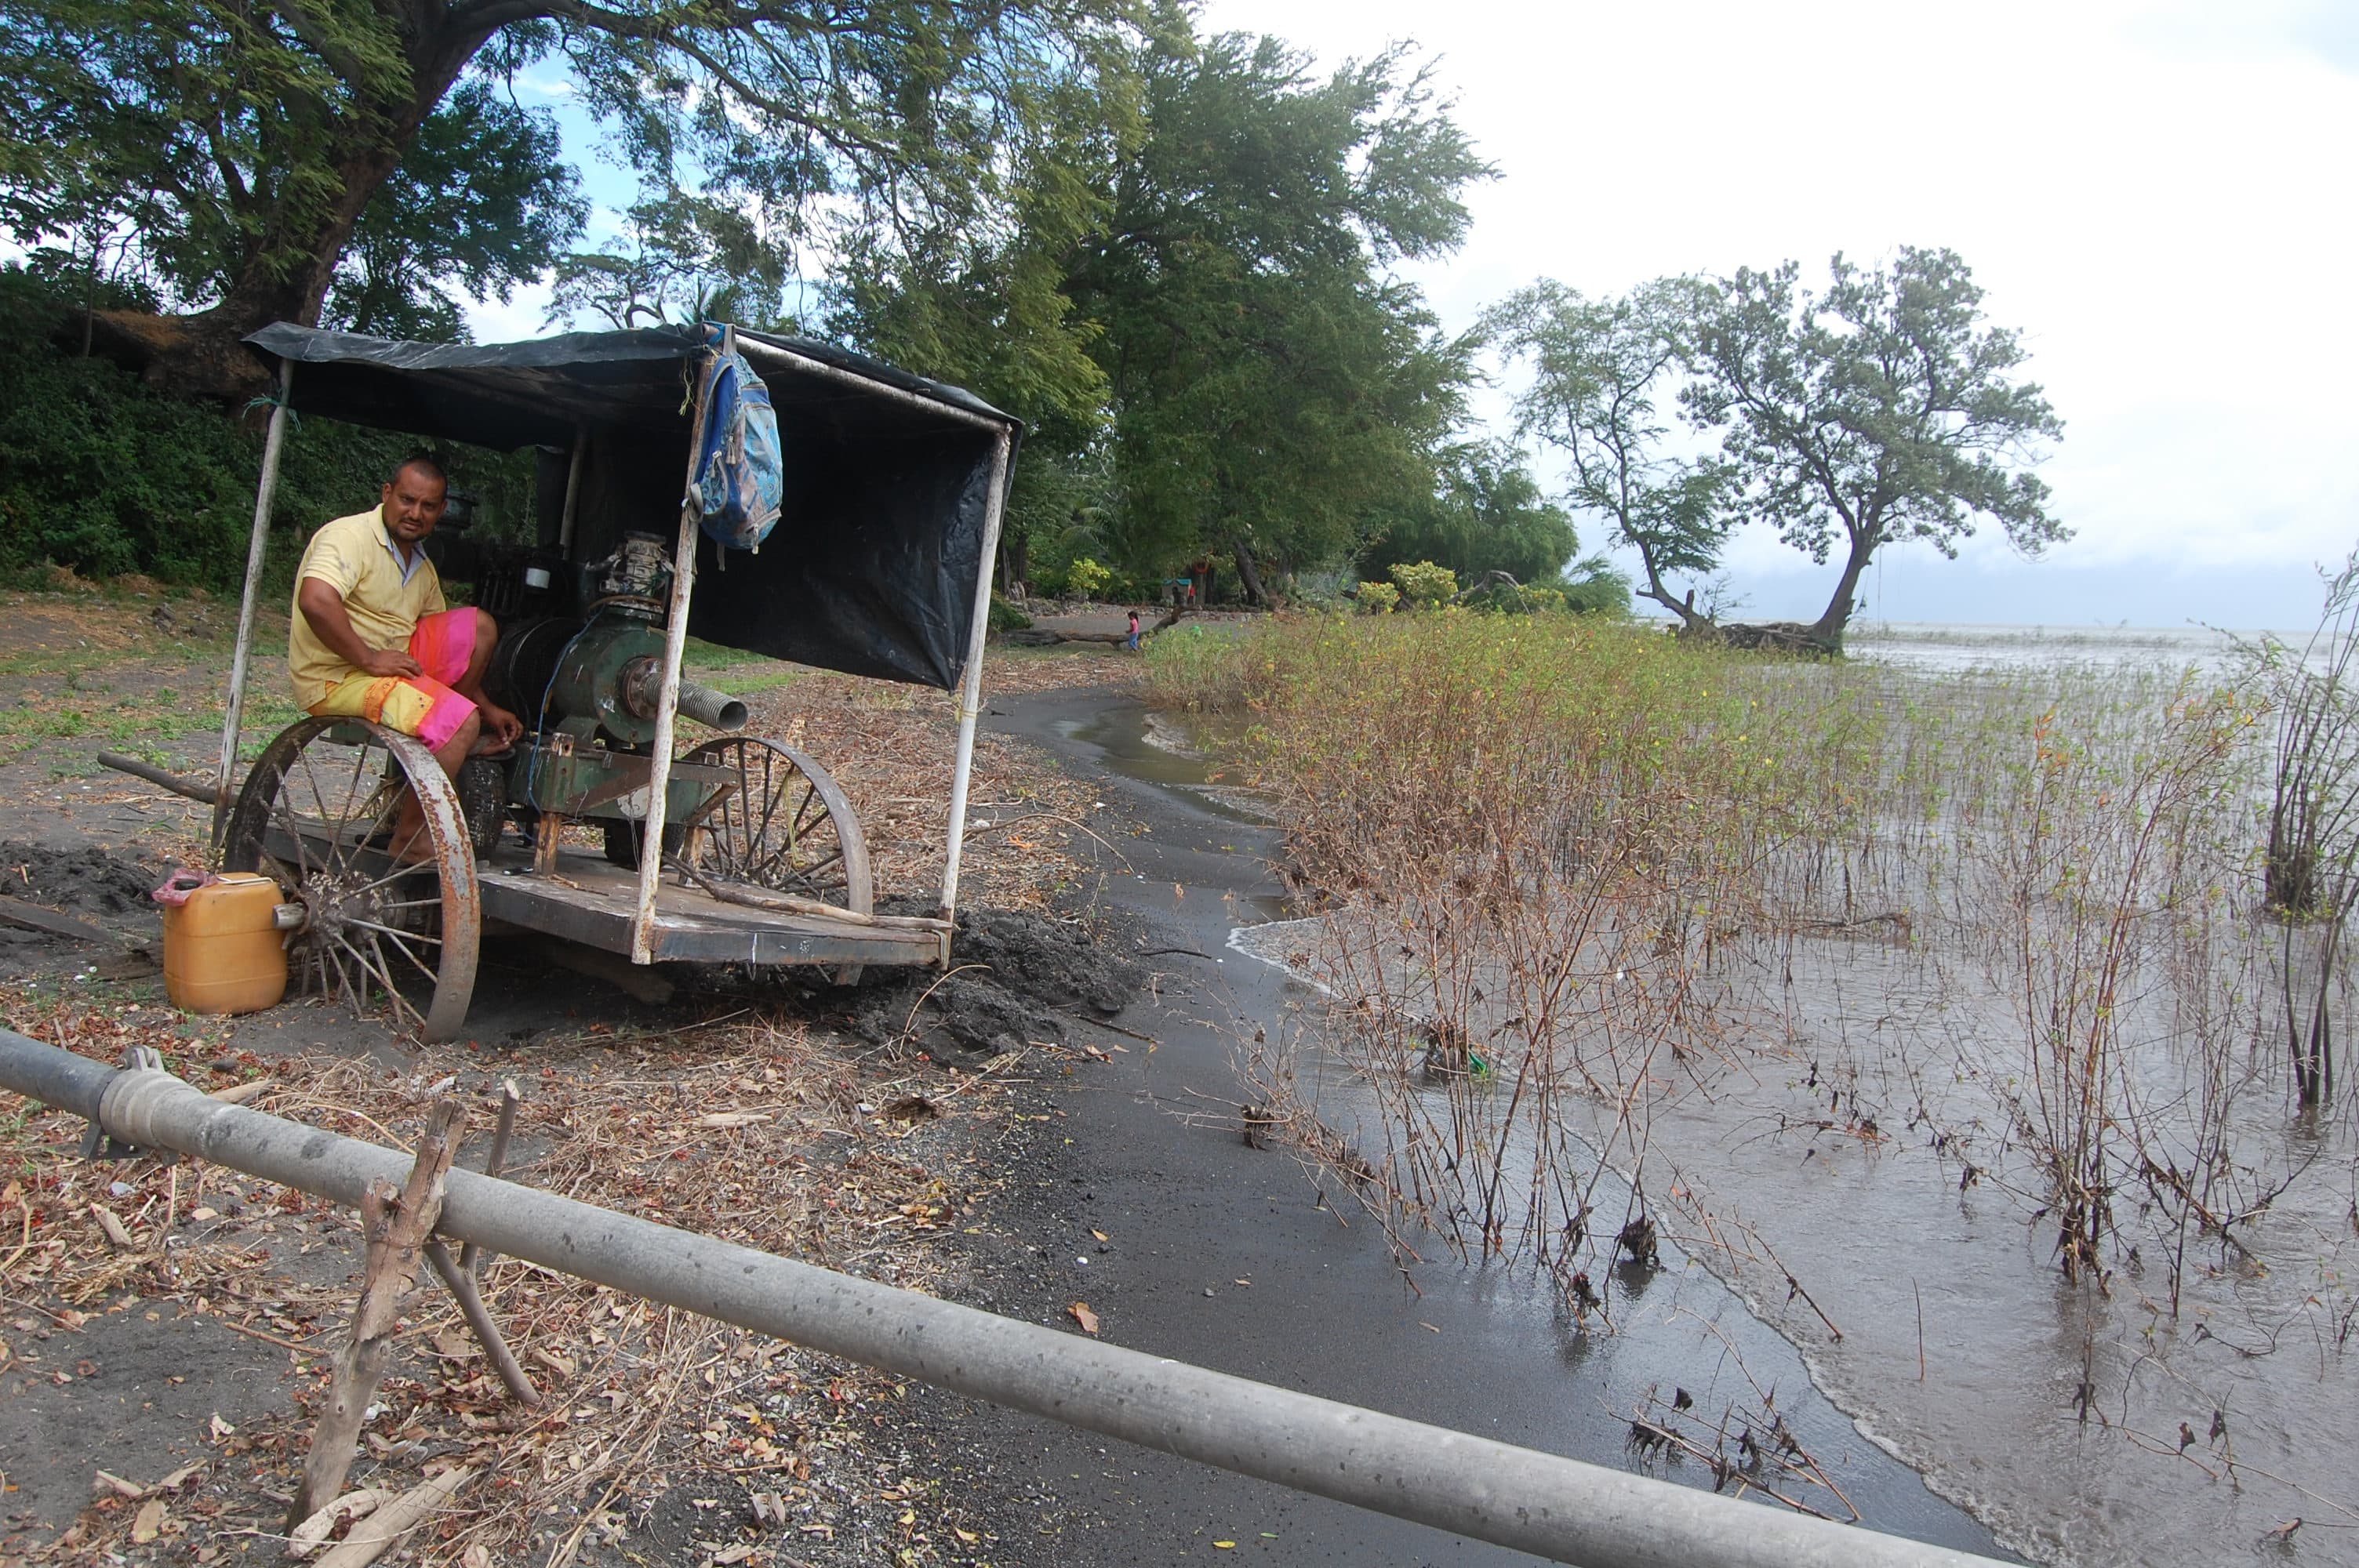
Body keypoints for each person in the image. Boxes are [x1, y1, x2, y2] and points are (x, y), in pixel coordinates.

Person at [288, 456, 524, 860]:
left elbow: (447, 649)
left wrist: (485, 707)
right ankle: (411, 839)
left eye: (428, 506)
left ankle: (456, 728)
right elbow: (316, 600)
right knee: (457, 724)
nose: (415, 513)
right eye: (407, 500)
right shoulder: (348, 537)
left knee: (480, 628)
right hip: (337, 677)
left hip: (385, 664)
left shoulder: (420, 566)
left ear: (441, 511)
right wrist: (369, 659)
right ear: (386, 494)